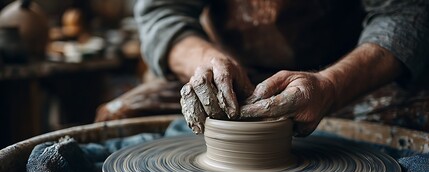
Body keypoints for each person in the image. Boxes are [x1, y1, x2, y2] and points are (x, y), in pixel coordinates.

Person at [100, 0, 429, 135]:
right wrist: (205, 60)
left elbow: (407, 13)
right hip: (227, 73)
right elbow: (162, 12)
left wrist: (331, 86)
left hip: (343, 75)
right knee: (120, 117)